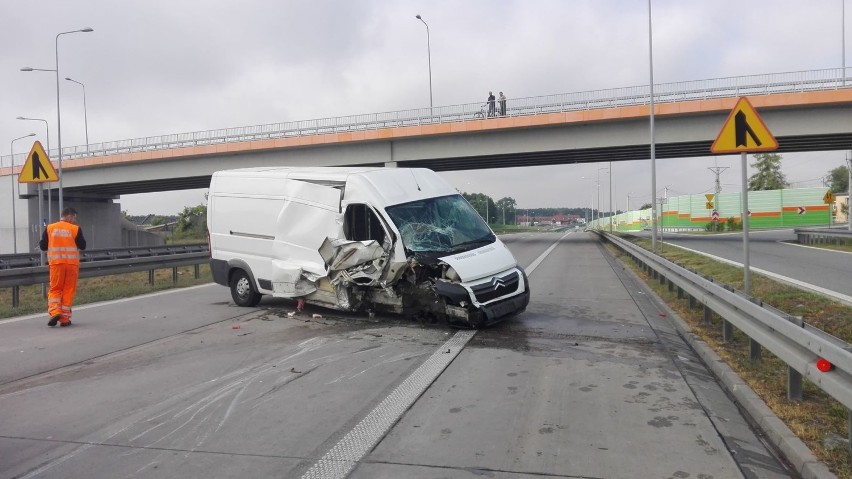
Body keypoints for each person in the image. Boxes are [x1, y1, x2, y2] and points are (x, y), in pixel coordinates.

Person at [40, 207, 87, 327]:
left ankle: (55, 312)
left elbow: (42, 246)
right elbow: (83, 245)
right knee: (68, 290)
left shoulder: (50, 228)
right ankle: (65, 319)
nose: (75, 220)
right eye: (74, 217)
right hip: (71, 265)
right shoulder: (75, 229)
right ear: (69, 216)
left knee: (55, 289)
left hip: (56, 264)